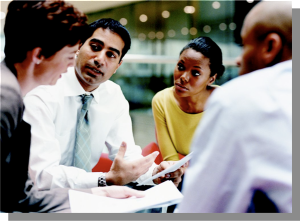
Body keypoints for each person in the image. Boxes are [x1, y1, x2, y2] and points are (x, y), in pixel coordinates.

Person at [0, 0, 145, 213]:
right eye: (70, 55)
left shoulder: (10, 90)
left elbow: (20, 195)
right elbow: (23, 194)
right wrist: (103, 186)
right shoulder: (7, 98)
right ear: (39, 55)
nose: (70, 65)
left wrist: (101, 192)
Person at [23, 18, 184, 193]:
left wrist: (156, 173)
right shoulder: (44, 90)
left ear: (117, 66)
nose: (100, 59)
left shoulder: (113, 95)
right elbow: (41, 175)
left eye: (111, 55)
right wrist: (105, 179)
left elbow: (126, 155)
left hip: (85, 196)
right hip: (31, 197)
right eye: (95, 47)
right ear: (78, 46)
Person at [176, 1, 292, 213]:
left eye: (244, 45)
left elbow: (198, 209)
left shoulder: (241, 97)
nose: (238, 60)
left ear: (270, 47)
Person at [152, 36, 225, 161]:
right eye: (180, 67)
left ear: (211, 79)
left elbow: (225, 154)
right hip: (180, 172)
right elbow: (170, 159)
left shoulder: (223, 101)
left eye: (195, 73)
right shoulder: (161, 100)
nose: (183, 77)